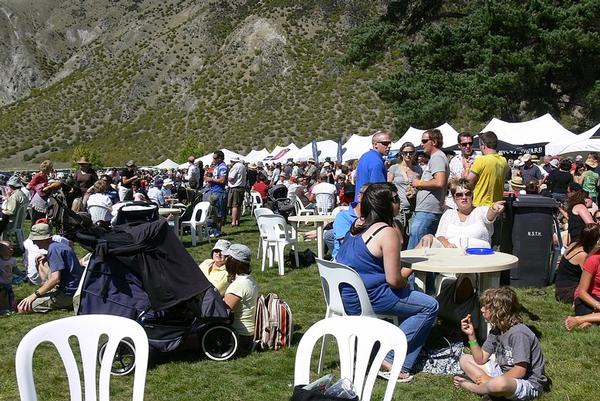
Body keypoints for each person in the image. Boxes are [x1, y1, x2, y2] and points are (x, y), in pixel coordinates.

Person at [336, 183, 438, 382]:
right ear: (384, 204)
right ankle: (391, 357)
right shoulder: (387, 232)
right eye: (395, 199)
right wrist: (411, 273)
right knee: (430, 306)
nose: (400, 202)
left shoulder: (357, 229)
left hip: (347, 296)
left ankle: (383, 351)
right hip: (370, 297)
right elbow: (394, 280)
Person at [454, 287, 548, 400]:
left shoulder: (519, 333)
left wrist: (490, 380)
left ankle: (470, 386)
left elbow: (520, 371)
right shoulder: (496, 330)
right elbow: (480, 359)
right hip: (503, 373)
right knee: (465, 359)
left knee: (499, 383)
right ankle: (489, 388)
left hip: (526, 383)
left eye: (486, 307)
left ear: (499, 310)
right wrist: (471, 334)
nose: (482, 310)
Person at [17, 223, 83, 313]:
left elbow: (55, 279)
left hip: (68, 293)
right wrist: (46, 257)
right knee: (41, 261)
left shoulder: (54, 250)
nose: (33, 242)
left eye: (35, 239)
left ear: (44, 239)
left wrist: (33, 295)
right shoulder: (58, 246)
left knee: (22, 308)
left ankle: (68, 303)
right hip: (76, 289)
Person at [408, 129, 449, 249]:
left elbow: (439, 182)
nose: (422, 144)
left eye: (425, 141)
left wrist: (418, 182)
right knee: (424, 248)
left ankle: (407, 268)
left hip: (428, 211)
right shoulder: (437, 157)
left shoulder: (437, 158)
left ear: (434, 141)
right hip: (428, 210)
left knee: (415, 249)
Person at [222, 243, 259, 357]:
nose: (225, 259)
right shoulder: (250, 280)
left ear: (233, 261)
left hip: (238, 335)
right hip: (248, 334)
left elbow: (223, 312)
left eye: (227, 257)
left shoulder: (239, 285)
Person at [555, 224, 600, 304]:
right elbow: (589, 277)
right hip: (567, 292)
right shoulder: (582, 255)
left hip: (560, 287)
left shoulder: (574, 244)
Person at [388, 142, 422, 246]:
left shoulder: (418, 169)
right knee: (399, 239)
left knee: (412, 237)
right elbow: (388, 186)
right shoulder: (394, 168)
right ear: (401, 153)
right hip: (399, 209)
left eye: (411, 152)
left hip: (413, 208)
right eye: (405, 152)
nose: (408, 155)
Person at [467, 131, 507, 207]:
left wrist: (467, 168)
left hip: (480, 205)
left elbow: (467, 183)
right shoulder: (504, 161)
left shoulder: (481, 160)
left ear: (483, 145)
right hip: (496, 206)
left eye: (480, 145)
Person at [354, 130, 392, 202]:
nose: (389, 146)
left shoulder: (365, 156)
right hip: (371, 206)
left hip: (360, 204)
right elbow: (379, 190)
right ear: (375, 145)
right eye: (385, 143)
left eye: (389, 143)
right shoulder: (377, 162)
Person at [206, 150, 228, 233]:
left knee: (219, 213)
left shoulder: (223, 167)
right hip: (214, 190)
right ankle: (214, 230)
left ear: (220, 158)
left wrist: (211, 179)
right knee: (213, 212)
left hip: (219, 192)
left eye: (215, 158)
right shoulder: (217, 166)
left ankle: (218, 230)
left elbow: (222, 180)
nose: (213, 159)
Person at [227, 157, 247, 227]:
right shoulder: (243, 166)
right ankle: (237, 221)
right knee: (239, 205)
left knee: (234, 205)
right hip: (241, 187)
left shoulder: (235, 167)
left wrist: (226, 177)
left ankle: (233, 222)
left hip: (235, 187)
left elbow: (231, 178)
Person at [0, 240, 16, 313]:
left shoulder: (13, 260)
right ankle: (3, 308)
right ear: (1, 251)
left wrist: (21, 274)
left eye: (12, 247)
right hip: (1, 283)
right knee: (2, 295)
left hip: (9, 282)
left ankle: (12, 307)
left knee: (11, 295)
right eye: (8, 248)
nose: (11, 249)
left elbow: (15, 269)